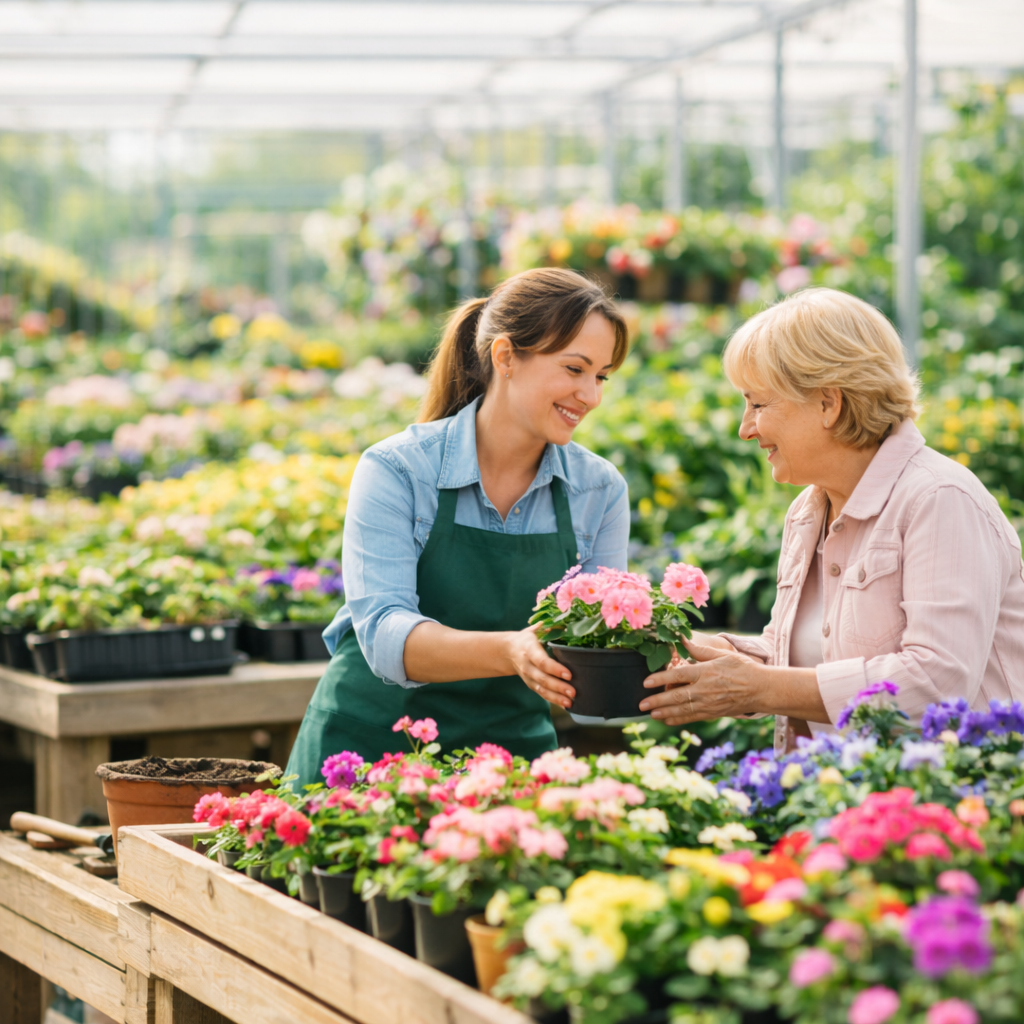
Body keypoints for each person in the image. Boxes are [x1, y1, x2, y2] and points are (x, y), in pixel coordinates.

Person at [639, 287, 1024, 753]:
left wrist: (759, 686)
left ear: (828, 403)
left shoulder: (940, 499)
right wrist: (710, 655)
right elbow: (809, 658)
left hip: (956, 805)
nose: (745, 428)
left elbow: (935, 684)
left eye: (758, 404)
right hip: (840, 798)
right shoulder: (810, 508)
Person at [287, 268, 631, 782]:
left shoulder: (598, 490)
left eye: (601, 376)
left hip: (507, 759)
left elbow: (597, 655)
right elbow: (383, 635)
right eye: (574, 369)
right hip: (367, 756)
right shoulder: (399, 469)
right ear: (506, 357)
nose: (591, 395)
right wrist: (511, 651)